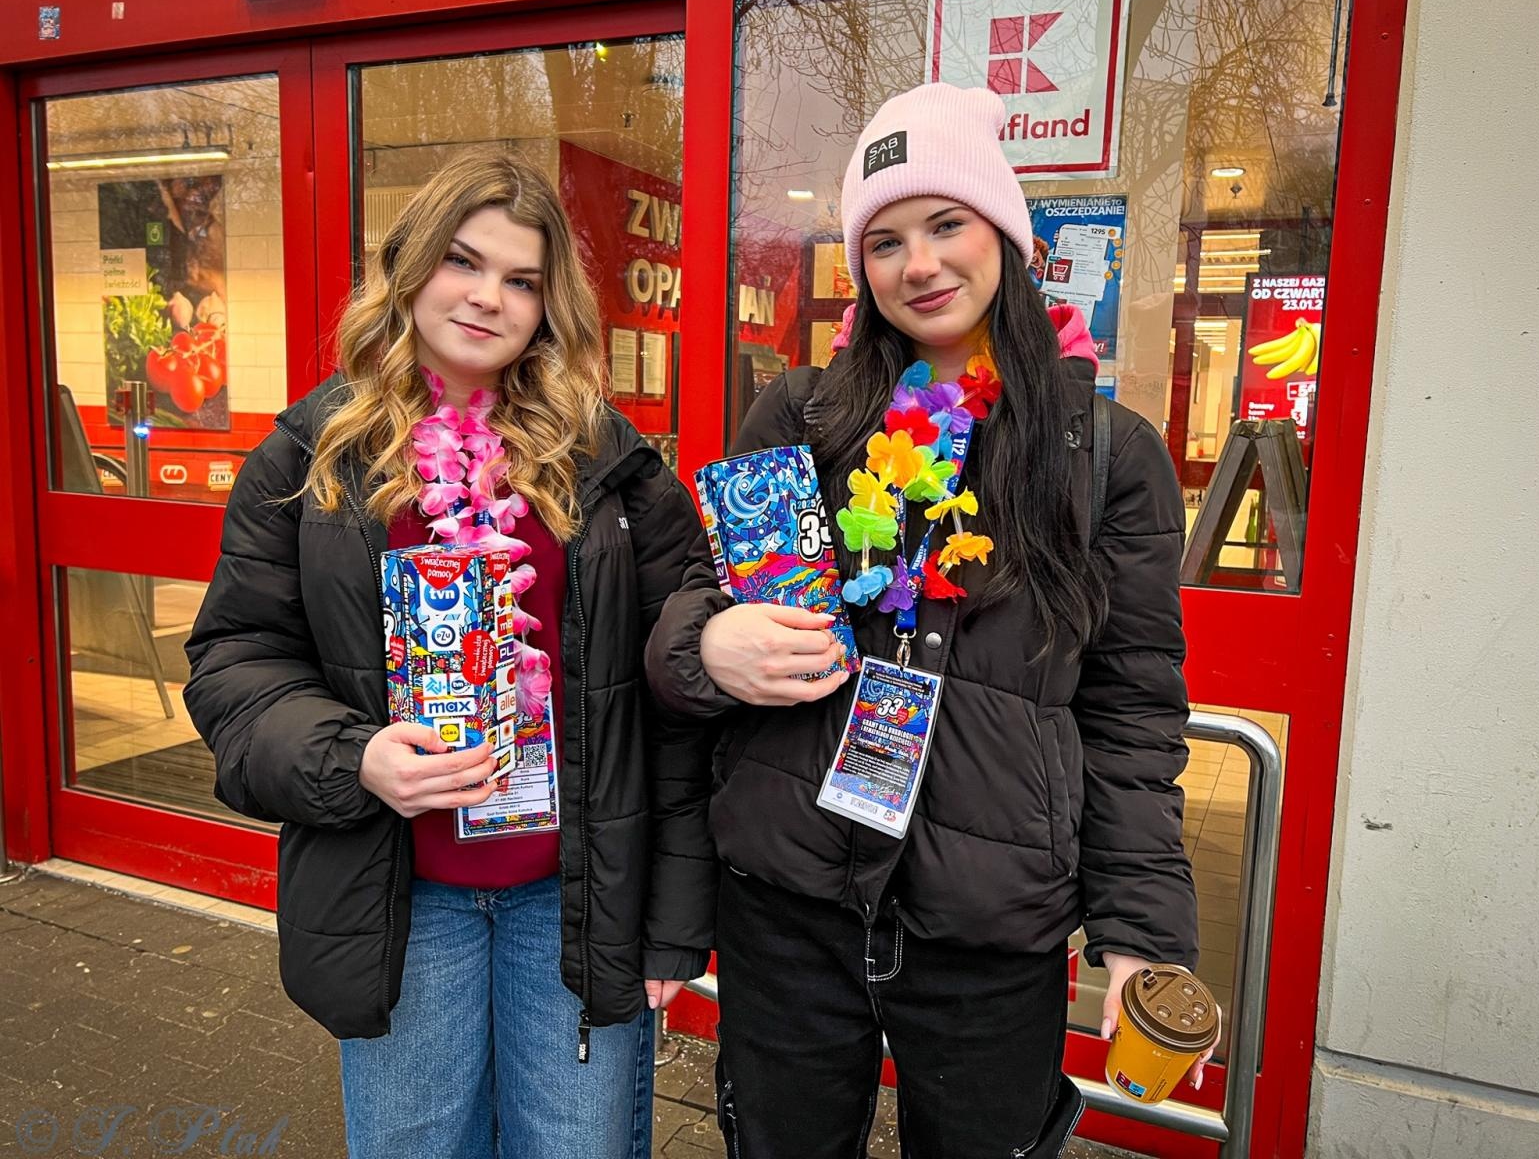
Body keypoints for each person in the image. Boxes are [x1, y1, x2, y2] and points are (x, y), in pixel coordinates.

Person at [645, 83, 1203, 1158]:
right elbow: (686, 623)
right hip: (789, 903)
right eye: (886, 240)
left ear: (1004, 234)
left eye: (947, 223)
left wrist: (1139, 927)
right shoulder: (804, 417)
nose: (920, 264)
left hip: (991, 927)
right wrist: (706, 645)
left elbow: (1133, 712)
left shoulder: (1102, 454)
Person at [184, 150, 716, 1158]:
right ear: (410, 266)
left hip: (575, 902)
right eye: (462, 261)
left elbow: (675, 705)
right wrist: (354, 758)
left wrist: (673, 916)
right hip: (403, 896)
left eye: (521, 279)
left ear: (549, 306)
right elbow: (236, 666)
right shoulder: (310, 459)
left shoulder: (614, 467)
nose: (486, 297)